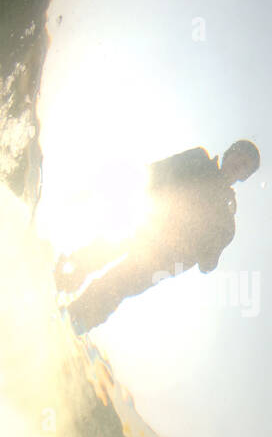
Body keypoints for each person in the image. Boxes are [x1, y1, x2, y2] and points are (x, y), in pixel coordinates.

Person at [59, 139, 261, 333]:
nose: (239, 164)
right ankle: (61, 279)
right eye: (239, 155)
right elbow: (156, 171)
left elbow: (207, 265)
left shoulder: (226, 221)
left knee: (116, 285)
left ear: (245, 176)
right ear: (229, 153)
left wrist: (214, 241)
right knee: (98, 253)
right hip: (145, 222)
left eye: (245, 165)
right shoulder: (198, 159)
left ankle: (75, 322)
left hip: (162, 260)